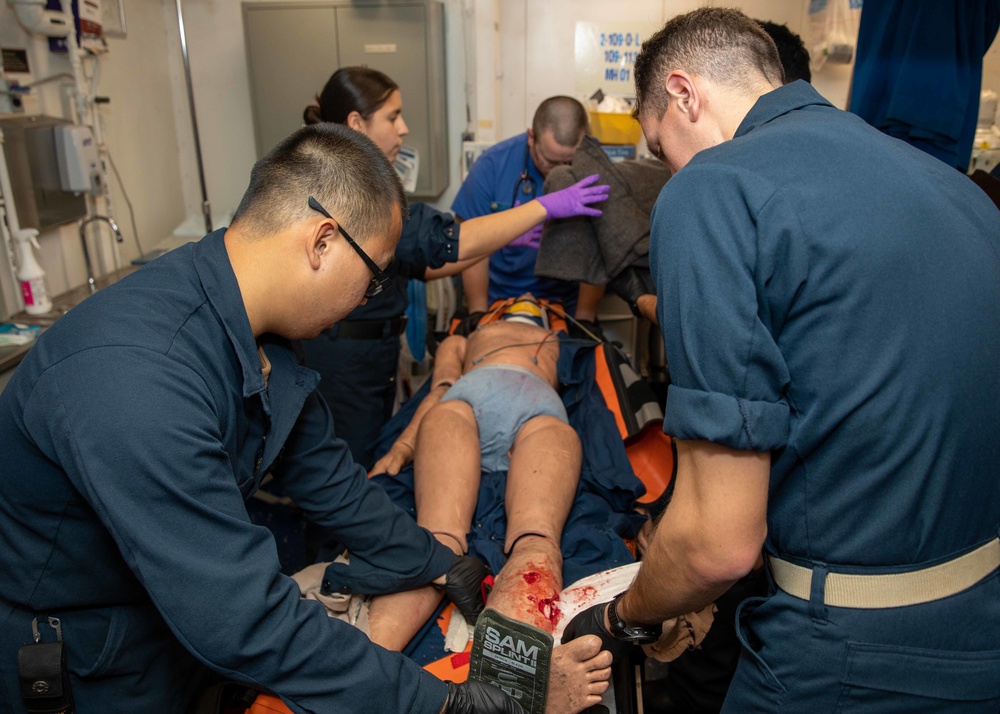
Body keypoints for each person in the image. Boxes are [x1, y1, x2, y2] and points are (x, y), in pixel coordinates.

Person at [0, 123, 536, 714]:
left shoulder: (257, 326)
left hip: (165, 615)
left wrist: (440, 561)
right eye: (374, 275)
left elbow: (327, 480)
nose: (368, 296)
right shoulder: (135, 378)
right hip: (88, 655)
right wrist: (442, 704)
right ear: (322, 242)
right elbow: (242, 620)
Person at [563, 7, 1000, 713]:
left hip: (844, 654)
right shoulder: (955, 188)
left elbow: (717, 545)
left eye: (659, 145)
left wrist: (628, 615)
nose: (668, 166)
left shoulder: (711, 189)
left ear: (684, 94)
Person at [301, 68, 608, 468]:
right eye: (393, 117)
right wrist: (539, 212)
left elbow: (418, 263)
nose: (404, 128)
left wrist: (493, 241)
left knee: (363, 457)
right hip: (346, 359)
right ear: (357, 123)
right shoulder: (348, 192)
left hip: (371, 353)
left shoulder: (362, 181)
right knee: (350, 464)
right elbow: (446, 242)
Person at [369, 296, 614, 713]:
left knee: (537, 538)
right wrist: (403, 447)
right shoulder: (463, 338)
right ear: (491, 314)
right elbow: (438, 389)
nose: (523, 299)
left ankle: (510, 693)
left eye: (532, 299)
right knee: (438, 541)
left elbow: (591, 403)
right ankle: (361, 672)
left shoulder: (562, 336)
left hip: (541, 417)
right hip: (462, 406)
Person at [452, 97, 605, 321]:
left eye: (569, 163)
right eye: (550, 162)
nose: (559, 172)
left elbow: (600, 247)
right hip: (501, 301)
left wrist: (585, 317)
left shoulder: (596, 167)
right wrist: (478, 312)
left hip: (566, 306)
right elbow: (471, 246)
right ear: (531, 138)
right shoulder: (493, 166)